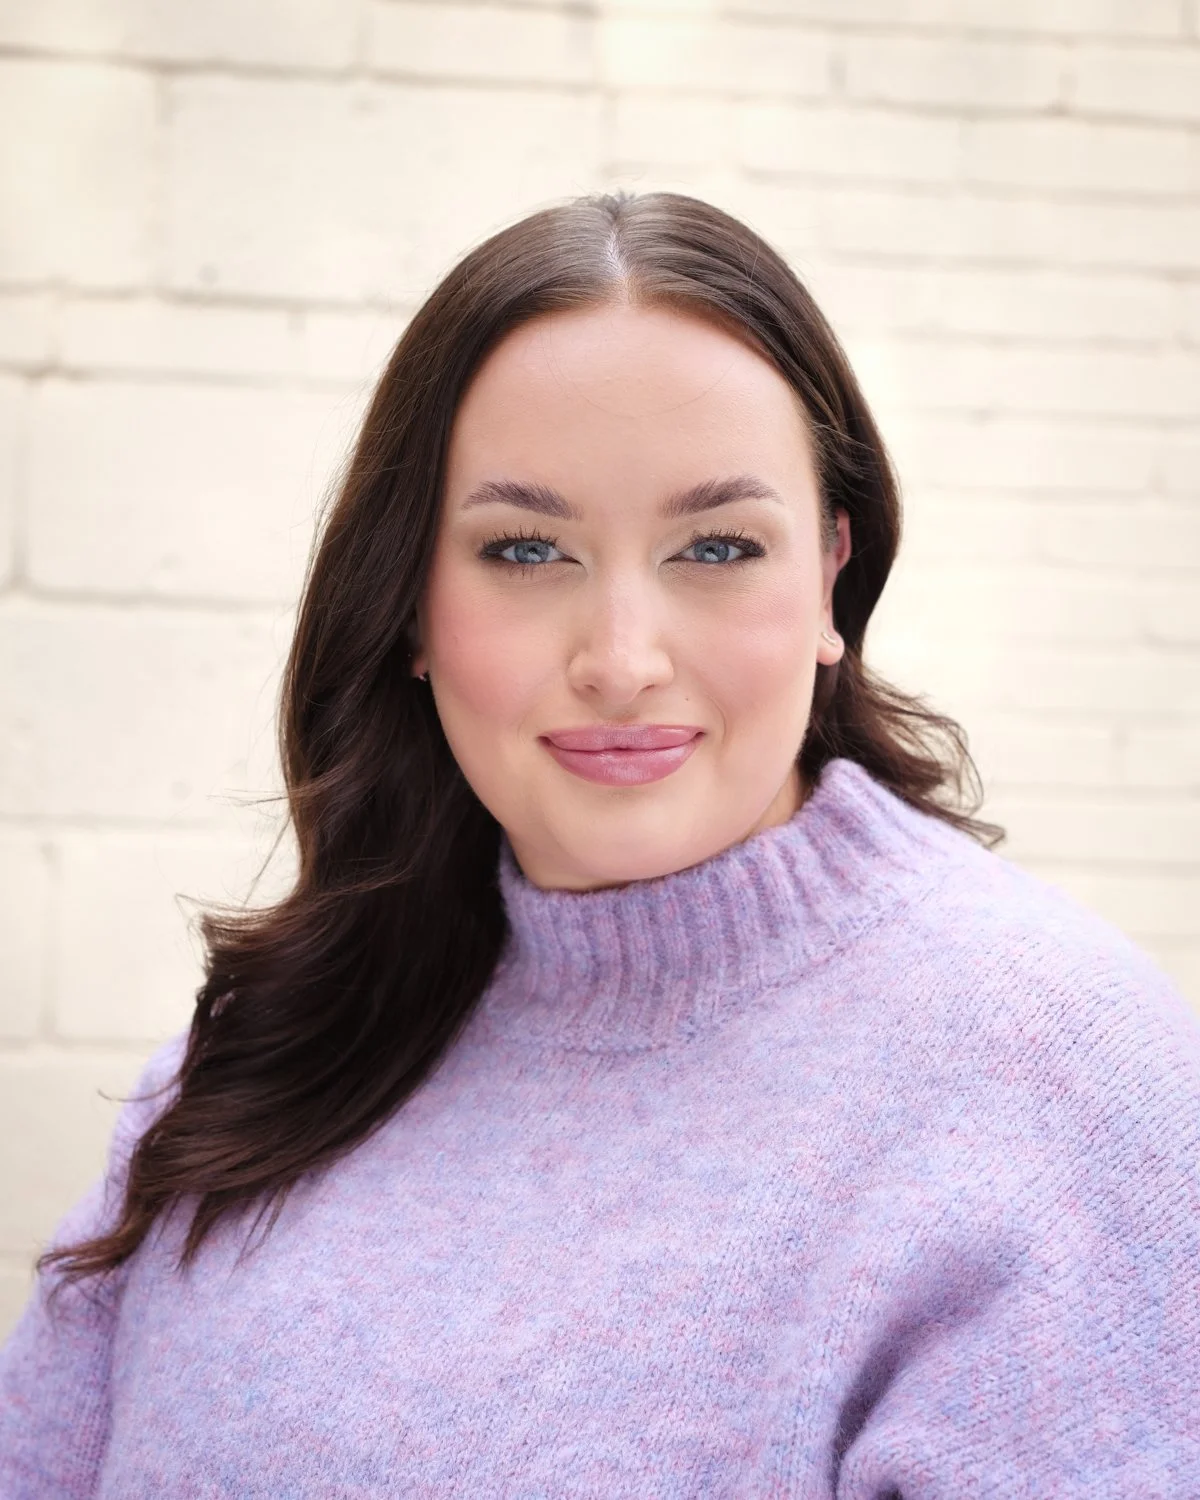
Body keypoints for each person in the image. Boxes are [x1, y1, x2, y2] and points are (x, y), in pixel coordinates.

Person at [1, 190, 1197, 1498]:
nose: (623, 662)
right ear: (410, 601)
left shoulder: (1068, 1088)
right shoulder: (273, 1048)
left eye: (719, 547)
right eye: (525, 549)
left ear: (833, 580)